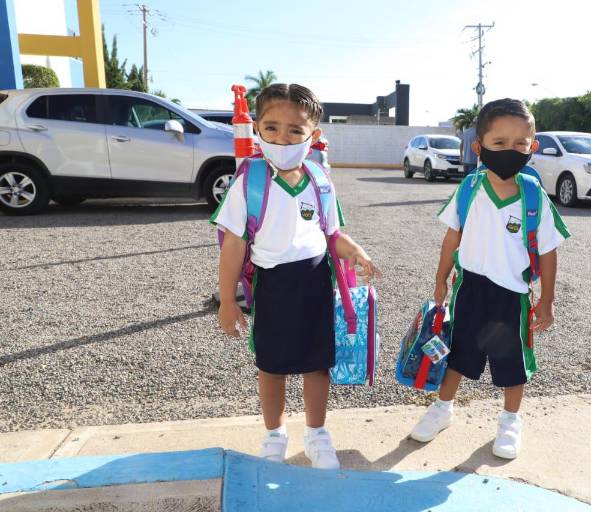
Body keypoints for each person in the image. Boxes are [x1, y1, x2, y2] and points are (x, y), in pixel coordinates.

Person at [213, 83, 379, 469]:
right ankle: (274, 434)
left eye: (294, 130)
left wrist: (354, 250)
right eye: (271, 128)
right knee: (271, 367)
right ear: (256, 127)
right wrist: (226, 300)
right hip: (272, 286)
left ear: (313, 135)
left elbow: (331, 234)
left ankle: (317, 433)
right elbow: (233, 246)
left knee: (317, 364)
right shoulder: (248, 181)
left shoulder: (320, 181)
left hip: (316, 283)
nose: (281, 138)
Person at [409, 99, 571, 459]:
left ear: (533, 147)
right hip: (469, 289)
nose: (510, 151)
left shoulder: (534, 197)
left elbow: (548, 251)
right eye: (499, 143)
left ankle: (511, 420)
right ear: (479, 148)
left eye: (519, 144)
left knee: (512, 364)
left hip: (511, 295)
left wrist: (547, 300)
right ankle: (442, 409)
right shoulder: (469, 189)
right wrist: (440, 279)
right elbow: (452, 237)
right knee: (457, 355)